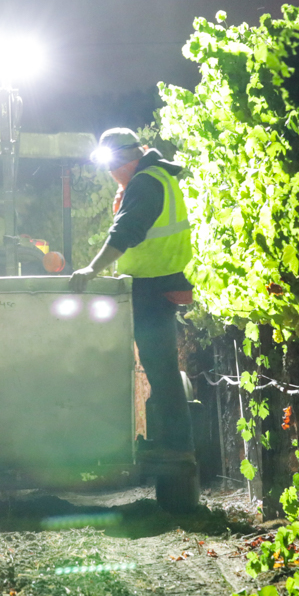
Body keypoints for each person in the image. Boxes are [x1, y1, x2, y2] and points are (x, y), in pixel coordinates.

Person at [67, 128, 196, 466]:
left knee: (160, 369)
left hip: (151, 287)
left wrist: (91, 270)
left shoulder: (145, 183)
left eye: (111, 163)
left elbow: (127, 231)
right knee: (160, 368)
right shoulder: (158, 178)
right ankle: (171, 444)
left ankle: (175, 449)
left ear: (125, 157)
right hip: (159, 283)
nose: (111, 172)